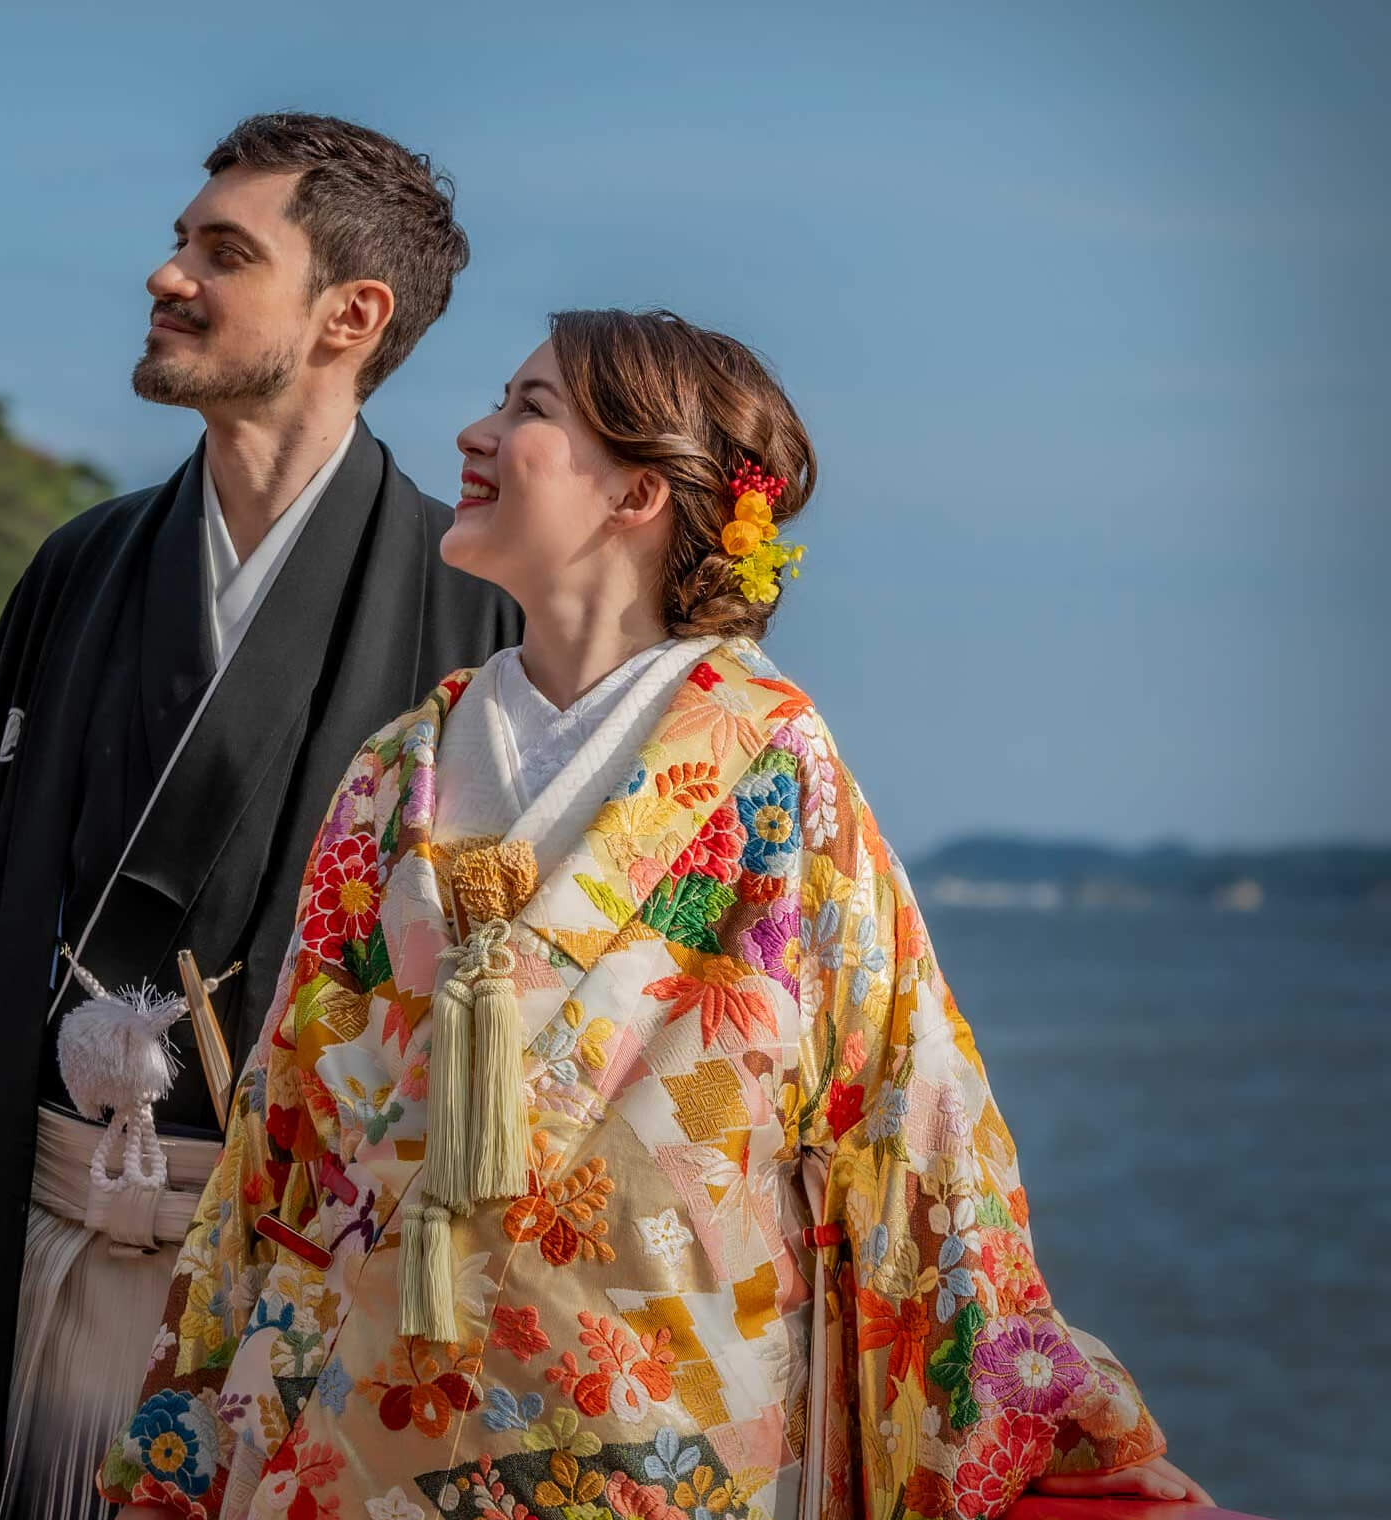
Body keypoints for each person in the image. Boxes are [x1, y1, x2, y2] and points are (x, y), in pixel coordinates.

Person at [101, 310, 1207, 1519]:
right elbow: (284, 1117)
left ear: (639, 490)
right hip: (359, 1398)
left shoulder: (772, 762)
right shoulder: (398, 767)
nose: (472, 433)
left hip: (654, 1429)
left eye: (529, 409)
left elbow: (905, 1103)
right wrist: (198, 1409)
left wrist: (1040, 1401)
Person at [0, 115, 521, 1518]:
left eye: (225, 254)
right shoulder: (83, 570)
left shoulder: (475, 618)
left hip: (308, 1291)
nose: (167, 277)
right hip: (30, 1239)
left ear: (352, 315)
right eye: (177, 243)